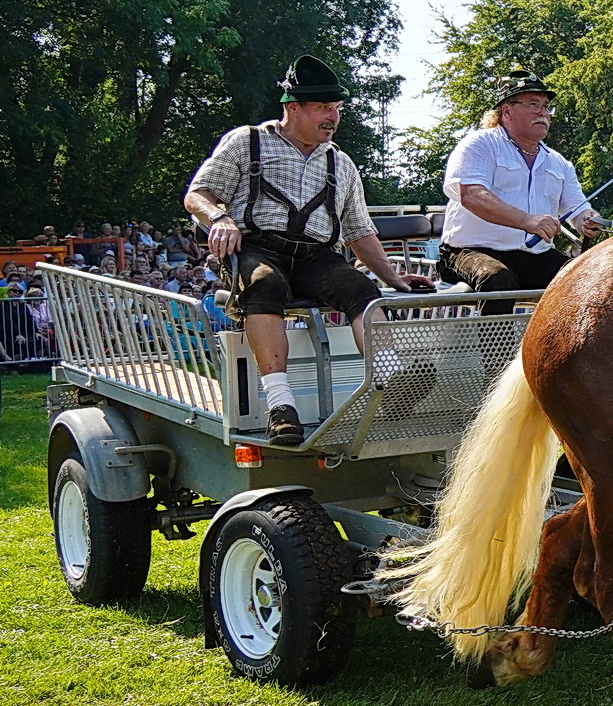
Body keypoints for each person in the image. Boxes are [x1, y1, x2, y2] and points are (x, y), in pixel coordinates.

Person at [183, 54, 434, 445]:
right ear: (292, 107)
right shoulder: (247, 141)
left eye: (336, 108)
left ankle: (390, 382)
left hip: (316, 256)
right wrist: (219, 218)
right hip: (257, 248)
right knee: (263, 284)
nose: (332, 117)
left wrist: (392, 277)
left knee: (361, 292)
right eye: (322, 108)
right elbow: (198, 194)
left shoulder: (342, 163)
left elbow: (358, 231)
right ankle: (281, 407)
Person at [438, 70, 602, 313]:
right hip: (468, 252)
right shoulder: (479, 144)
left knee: (587, 277)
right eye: (533, 105)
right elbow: (472, 195)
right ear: (507, 110)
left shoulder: (559, 163)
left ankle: (561, 350)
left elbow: (578, 210)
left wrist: (587, 221)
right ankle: (496, 353)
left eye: (546, 106)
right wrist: (527, 221)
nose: (543, 113)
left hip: (532, 255)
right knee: (497, 278)